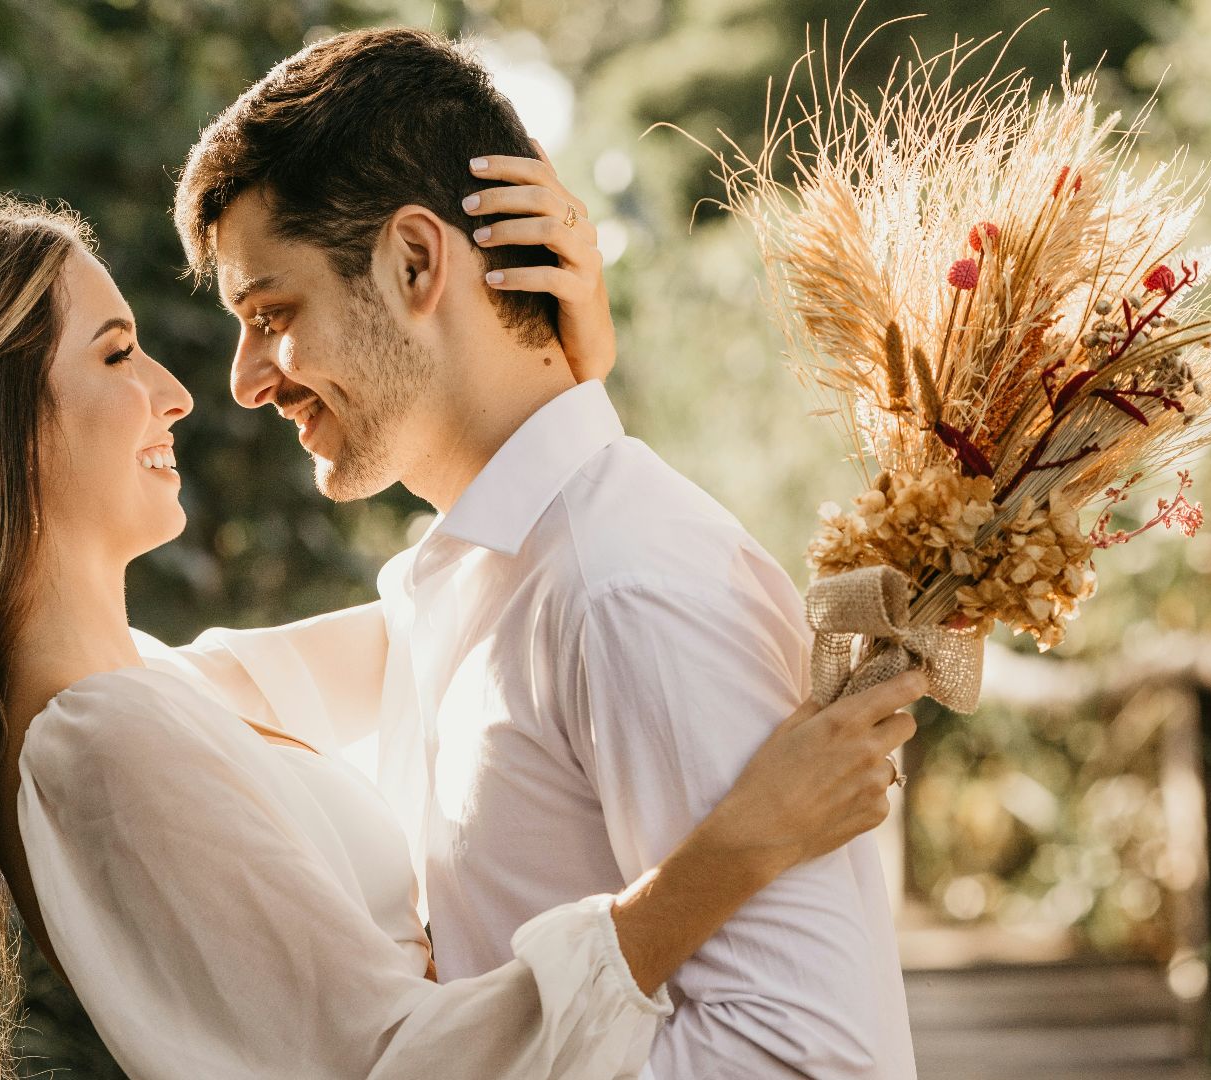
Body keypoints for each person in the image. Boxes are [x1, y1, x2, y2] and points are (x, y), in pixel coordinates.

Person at [0, 190, 922, 1080]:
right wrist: (732, 854)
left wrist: (549, 379)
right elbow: (387, 1064)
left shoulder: (151, 696)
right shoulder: (99, 746)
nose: (179, 391)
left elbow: (458, 608)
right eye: (117, 353)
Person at [155, 26, 918, 1078]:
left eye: (273, 312)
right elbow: (161, 695)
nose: (247, 378)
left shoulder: (630, 585)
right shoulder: (464, 581)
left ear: (416, 260)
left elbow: (808, 1059)